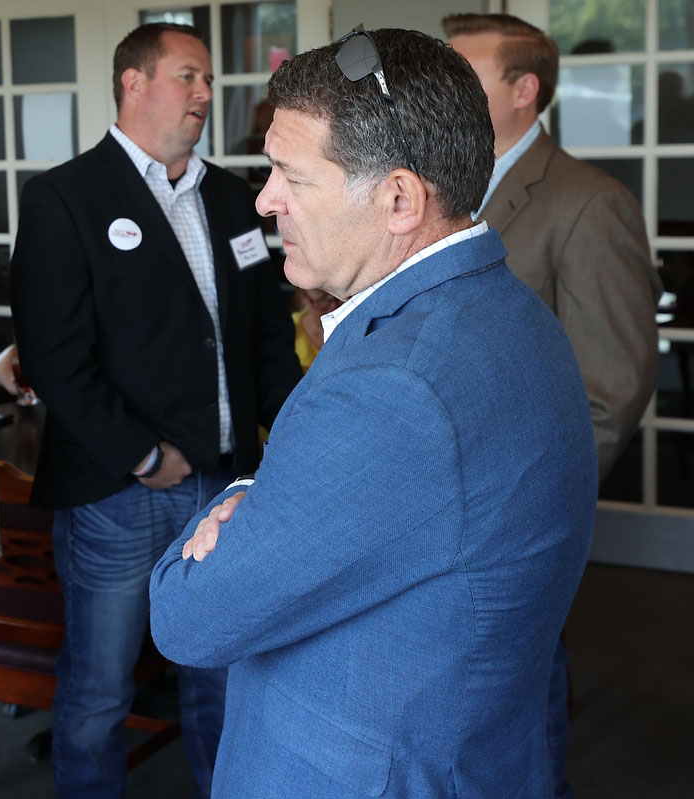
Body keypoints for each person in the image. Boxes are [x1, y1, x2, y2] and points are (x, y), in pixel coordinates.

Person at [149, 27, 597, 798]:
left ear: (398, 198)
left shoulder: (393, 388)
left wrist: (241, 494)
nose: (264, 198)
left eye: (291, 174)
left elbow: (187, 619)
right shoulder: (515, 314)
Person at [10, 22, 301, 798]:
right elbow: (54, 357)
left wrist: (292, 432)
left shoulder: (234, 197)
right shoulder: (65, 197)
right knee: (101, 689)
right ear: (133, 83)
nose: (206, 94)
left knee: (219, 680)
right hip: (122, 490)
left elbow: (267, 332)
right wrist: (142, 454)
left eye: (208, 80)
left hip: (227, 483)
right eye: (187, 76)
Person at [442, 15, 663, 797]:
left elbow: (613, 385)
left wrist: (536, 507)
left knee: (525, 707)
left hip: (517, 518)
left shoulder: (587, 201)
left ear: (522, 89)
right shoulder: (441, 188)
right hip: (440, 511)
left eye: (461, 72)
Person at [291, 287, 342, 370]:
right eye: (322, 300)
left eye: (339, 297)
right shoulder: (290, 329)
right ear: (304, 298)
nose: (333, 306)